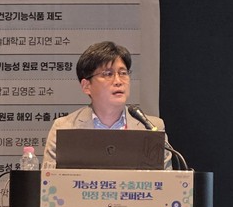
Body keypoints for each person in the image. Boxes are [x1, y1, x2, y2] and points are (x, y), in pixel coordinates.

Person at [42, 41, 172, 169]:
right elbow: (49, 180)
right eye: (108, 74)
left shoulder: (151, 128)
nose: (118, 81)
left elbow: (166, 180)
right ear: (86, 86)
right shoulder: (64, 128)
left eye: (123, 73)